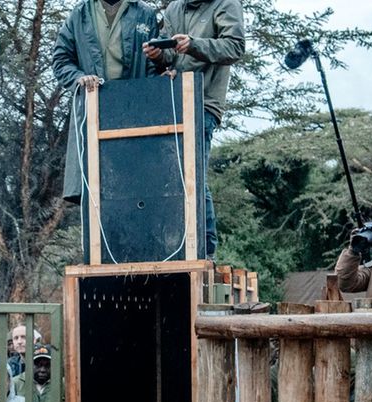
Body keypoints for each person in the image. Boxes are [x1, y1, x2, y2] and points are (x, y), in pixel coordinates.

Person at [142, 0, 246, 257]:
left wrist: (195, 44)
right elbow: (170, 56)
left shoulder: (226, 4)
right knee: (174, 174)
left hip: (204, 101)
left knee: (194, 173)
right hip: (174, 101)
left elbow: (235, 47)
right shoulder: (174, 9)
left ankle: (205, 249)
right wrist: (159, 54)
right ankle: (177, 247)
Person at [53, 0, 163, 203]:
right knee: (93, 187)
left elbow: (154, 66)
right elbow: (61, 60)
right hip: (94, 106)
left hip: (134, 109)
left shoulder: (144, 13)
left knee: (135, 187)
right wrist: (79, 78)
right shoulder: (80, 13)